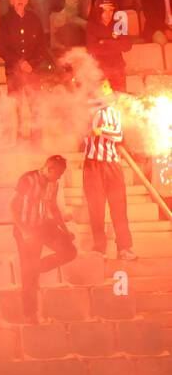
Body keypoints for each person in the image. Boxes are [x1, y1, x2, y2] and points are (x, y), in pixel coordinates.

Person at [10, 155, 77, 324]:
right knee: (28, 276)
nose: (60, 177)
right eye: (59, 173)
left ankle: (36, 268)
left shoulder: (54, 183)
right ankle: (30, 314)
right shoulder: (28, 179)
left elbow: (53, 207)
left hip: (43, 226)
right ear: (49, 168)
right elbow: (12, 206)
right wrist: (24, 230)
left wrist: (65, 230)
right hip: (25, 228)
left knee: (70, 251)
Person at [82, 79, 136, 260]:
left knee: (119, 207)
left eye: (108, 90)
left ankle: (124, 248)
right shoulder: (87, 112)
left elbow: (117, 135)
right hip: (92, 165)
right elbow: (82, 133)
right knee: (95, 209)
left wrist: (99, 130)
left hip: (112, 164)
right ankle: (99, 249)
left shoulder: (114, 113)